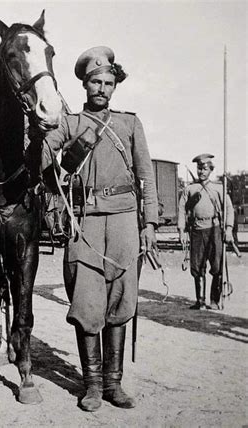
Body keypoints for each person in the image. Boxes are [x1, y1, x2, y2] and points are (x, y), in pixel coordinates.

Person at [41, 46, 158, 412]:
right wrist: (53, 158)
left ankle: (113, 384)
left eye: (108, 82)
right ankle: (91, 385)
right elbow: (45, 152)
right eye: (95, 81)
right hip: (86, 221)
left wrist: (150, 223)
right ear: (85, 84)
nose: (102, 88)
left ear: (115, 86)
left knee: (122, 301)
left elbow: (146, 176)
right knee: (88, 303)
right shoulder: (71, 123)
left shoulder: (129, 124)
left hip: (125, 218)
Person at [178, 153, 234, 310]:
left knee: (217, 265)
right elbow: (181, 209)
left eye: (204, 169)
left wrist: (228, 229)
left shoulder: (218, 189)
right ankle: (200, 301)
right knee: (197, 266)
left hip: (214, 230)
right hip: (197, 231)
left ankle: (215, 301)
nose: (201, 172)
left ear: (211, 170)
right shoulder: (190, 189)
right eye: (199, 168)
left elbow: (229, 209)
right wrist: (181, 230)